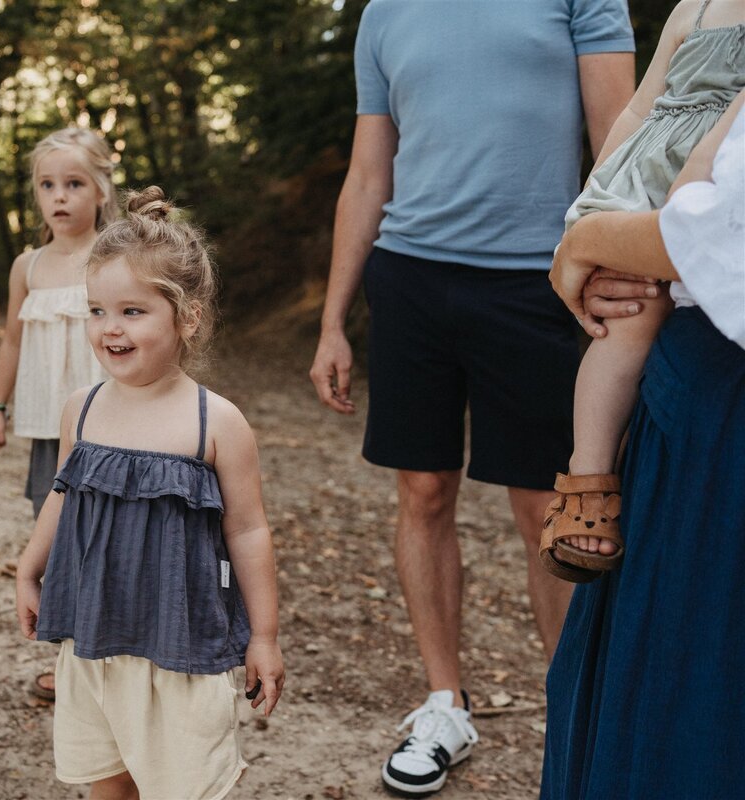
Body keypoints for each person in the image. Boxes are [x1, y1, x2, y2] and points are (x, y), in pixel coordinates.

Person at [307, 1, 636, 795]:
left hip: (540, 284)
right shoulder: (384, 12)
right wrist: (332, 322)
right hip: (410, 277)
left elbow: (618, 145)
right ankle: (444, 705)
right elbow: (367, 172)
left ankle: (573, 710)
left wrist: (617, 265)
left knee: (544, 509)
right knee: (421, 492)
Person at [15, 187, 284, 800]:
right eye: (97, 311)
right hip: (94, 641)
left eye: (133, 312)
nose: (110, 328)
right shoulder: (79, 412)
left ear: (187, 317)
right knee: (106, 782)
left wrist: (263, 636)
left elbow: (247, 530)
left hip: (181, 647)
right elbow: (62, 493)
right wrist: (29, 566)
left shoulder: (215, 423)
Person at [542, 92, 744, 799]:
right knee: (625, 317)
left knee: (692, 677)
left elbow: (705, 219)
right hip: (651, 190)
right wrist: (596, 214)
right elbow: (647, 121)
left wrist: (588, 243)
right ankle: (587, 475)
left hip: (715, 365)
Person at [540, 0, 745, 583]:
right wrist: (598, 196)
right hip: (654, 172)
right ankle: (589, 470)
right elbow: (637, 110)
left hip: (718, 178)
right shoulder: (694, 10)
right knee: (630, 310)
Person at [0, 127, 116, 702]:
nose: (59, 197)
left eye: (74, 183)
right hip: (47, 433)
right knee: (56, 539)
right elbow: (11, 341)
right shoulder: (28, 267)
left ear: (101, 191)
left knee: (110, 536)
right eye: (47, 185)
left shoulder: (114, 257)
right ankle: (72, 659)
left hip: (109, 427)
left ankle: (113, 653)